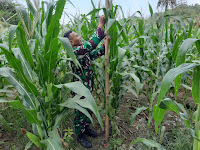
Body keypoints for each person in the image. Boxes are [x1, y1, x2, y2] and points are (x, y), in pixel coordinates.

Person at [64, 15, 110, 148]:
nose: (80, 37)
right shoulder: (75, 52)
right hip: (79, 89)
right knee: (80, 111)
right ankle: (80, 134)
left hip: (87, 86)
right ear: (71, 43)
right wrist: (100, 26)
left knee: (88, 107)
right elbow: (90, 45)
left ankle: (86, 128)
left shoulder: (82, 53)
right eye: (77, 36)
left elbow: (94, 53)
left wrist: (106, 45)